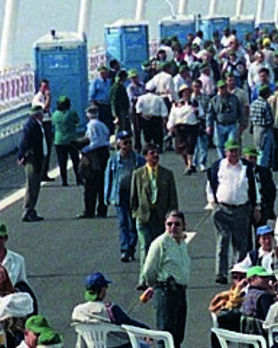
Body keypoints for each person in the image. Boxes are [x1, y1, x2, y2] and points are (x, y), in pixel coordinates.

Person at [206, 140, 259, 284]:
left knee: (240, 243)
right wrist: (213, 203)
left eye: (236, 151)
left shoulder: (246, 167)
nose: (233, 154)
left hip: (242, 209)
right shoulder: (218, 166)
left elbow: (253, 187)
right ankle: (221, 273)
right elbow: (210, 185)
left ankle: (238, 271)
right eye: (231, 151)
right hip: (222, 209)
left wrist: (256, 206)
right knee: (223, 241)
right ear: (225, 152)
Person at [140, 211, 191, 347]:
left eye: (177, 224)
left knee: (178, 335)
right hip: (166, 292)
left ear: (184, 225)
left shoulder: (181, 243)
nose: (173, 227)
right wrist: (155, 286)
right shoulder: (160, 243)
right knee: (166, 335)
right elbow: (149, 270)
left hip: (180, 292)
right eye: (169, 224)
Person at [130, 145, 179, 286]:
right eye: (152, 153)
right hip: (144, 217)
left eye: (157, 153)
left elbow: (172, 198)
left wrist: (172, 217)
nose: (155, 155)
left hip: (161, 218)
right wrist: (136, 214)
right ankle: (144, 279)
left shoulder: (167, 174)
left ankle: (160, 276)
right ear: (145, 156)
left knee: (160, 248)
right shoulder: (138, 174)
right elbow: (133, 198)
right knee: (145, 247)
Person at [71, 271, 148, 348]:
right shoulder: (110, 309)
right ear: (102, 290)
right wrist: (147, 330)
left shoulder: (78, 311)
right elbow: (130, 324)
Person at [105, 132, 145, 263]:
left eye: (129, 142)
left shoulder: (138, 159)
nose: (127, 146)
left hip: (135, 194)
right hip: (119, 194)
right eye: (124, 143)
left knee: (134, 224)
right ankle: (125, 249)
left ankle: (131, 248)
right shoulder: (114, 160)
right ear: (118, 145)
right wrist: (107, 196)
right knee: (123, 222)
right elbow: (108, 178)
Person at [78, 105, 110, 219]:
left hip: (95, 154)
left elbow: (95, 141)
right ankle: (102, 209)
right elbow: (106, 136)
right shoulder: (102, 124)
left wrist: (85, 150)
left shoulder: (91, 125)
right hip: (104, 153)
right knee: (102, 182)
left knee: (90, 183)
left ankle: (89, 210)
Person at [17, 105, 46, 222]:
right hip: (33, 159)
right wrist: (21, 155)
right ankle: (28, 210)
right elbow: (25, 141)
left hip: (37, 158)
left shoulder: (36, 124)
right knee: (32, 185)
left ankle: (32, 209)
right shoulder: (31, 125)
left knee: (35, 185)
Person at [206, 80, 244, 157]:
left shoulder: (234, 98)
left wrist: (242, 123)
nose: (223, 89)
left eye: (224, 87)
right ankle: (222, 161)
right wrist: (209, 125)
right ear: (218, 89)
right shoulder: (214, 100)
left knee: (232, 144)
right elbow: (210, 113)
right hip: (219, 125)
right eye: (221, 88)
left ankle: (231, 159)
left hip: (232, 125)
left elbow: (240, 111)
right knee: (220, 145)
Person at [167, 86, 199, 174]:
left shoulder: (194, 103)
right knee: (181, 148)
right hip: (179, 127)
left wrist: (197, 112)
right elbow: (172, 116)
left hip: (191, 126)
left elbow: (201, 113)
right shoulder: (176, 104)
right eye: (184, 92)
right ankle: (187, 164)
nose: (186, 94)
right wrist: (170, 126)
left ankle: (190, 165)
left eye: (188, 92)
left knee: (190, 146)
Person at [51, 96, 81, 187]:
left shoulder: (55, 114)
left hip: (59, 140)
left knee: (62, 161)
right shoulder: (72, 113)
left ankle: (64, 181)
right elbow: (77, 121)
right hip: (71, 139)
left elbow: (53, 123)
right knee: (76, 161)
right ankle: (79, 179)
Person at [31, 78, 54, 181]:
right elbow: (46, 108)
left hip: (48, 122)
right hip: (42, 123)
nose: (46, 89)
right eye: (44, 87)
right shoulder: (37, 99)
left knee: (49, 148)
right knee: (43, 148)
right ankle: (40, 172)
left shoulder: (45, 97)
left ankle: (45, 172)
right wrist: (49, 97)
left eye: (47, 87)